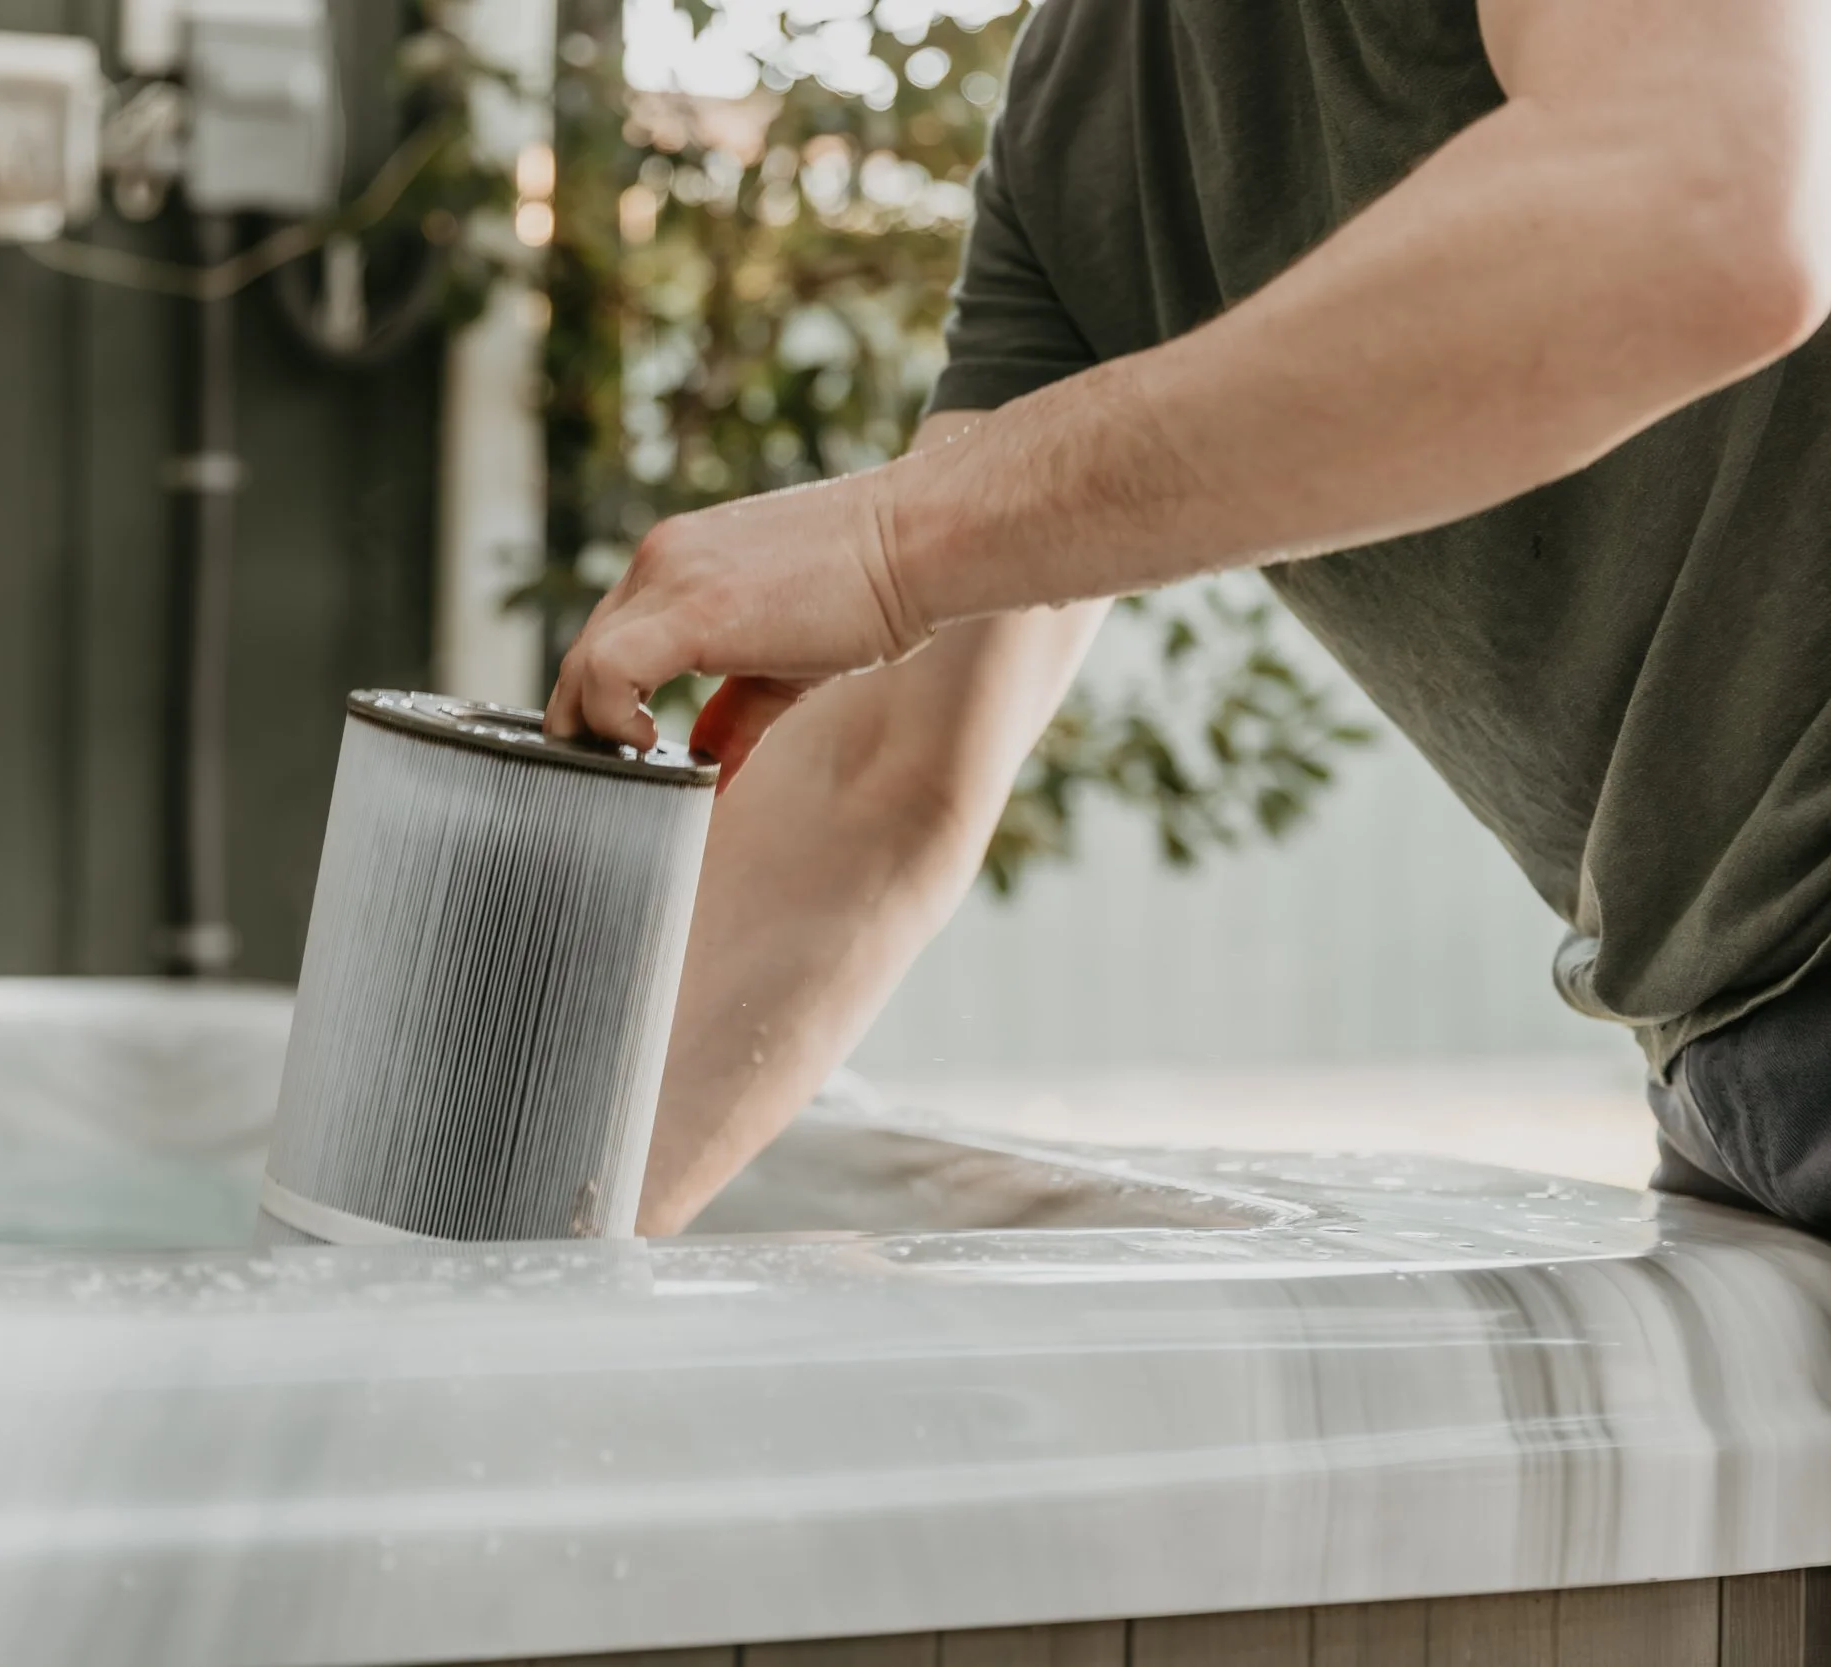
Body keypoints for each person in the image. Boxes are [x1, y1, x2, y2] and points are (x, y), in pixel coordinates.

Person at [544, 0, 1831, 1236]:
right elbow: (876, 781)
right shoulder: (1084, 129)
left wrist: (894, 537)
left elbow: (1693, 203)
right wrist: (479, 1281)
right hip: (1739, 1067)